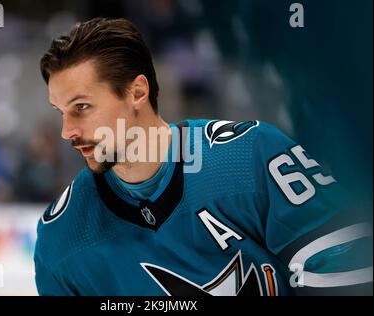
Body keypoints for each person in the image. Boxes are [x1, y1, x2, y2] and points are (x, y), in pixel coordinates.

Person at [34, 18, 372, 295]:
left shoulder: (249, 157)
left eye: (82, 107)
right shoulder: (62, 236)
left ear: (137, 92)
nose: (67, 131)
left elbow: (348, 267)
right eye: (60, 111)